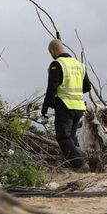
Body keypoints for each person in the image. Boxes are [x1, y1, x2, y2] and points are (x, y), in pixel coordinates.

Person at [41, 39, 92, 170]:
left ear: (53, 51)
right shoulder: (79, 65)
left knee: (63, 137)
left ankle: (81, 165)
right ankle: (71, 165)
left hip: (65, 106)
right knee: (70, 139)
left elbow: (51, 88)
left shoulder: (57, 64)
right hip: (79, 107)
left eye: (50, 53)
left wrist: (46, 105)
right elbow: (87, 87)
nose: (51, 55)